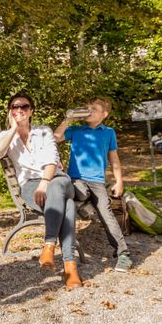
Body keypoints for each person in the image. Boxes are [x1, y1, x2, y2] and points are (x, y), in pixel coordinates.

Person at [0, 93, 83, 290]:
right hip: (29, 186)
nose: (19, 110)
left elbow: (51, 160)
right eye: (15, 107)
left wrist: (44, 183)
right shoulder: (5, 137)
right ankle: (70, 267)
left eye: (24, 107)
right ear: (10, 111)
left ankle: (49, 245)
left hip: (55, 179)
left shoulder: (43, 131)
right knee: (68, 206)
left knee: (57, 187)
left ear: (31, 111)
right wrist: (14, 129)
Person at [55, 97, 133, 273]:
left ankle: (123, 254)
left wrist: (119, 181)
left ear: (104, 114)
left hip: (97, 182)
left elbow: (114, 159)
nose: (89, 111)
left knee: (107, 213)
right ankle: (68, 250)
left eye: (94, 109)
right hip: (76, 180)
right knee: (77, 194)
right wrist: (68, 119)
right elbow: (56, 137)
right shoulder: (76, 130)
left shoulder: (108, 132)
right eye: (87, 108)